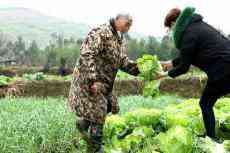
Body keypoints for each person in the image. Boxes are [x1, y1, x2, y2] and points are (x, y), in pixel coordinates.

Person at [157, 7, 230, 143]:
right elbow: (189, 54)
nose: (171, 31)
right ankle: (211, 136)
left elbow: (184, 67)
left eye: (170, 28)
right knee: (207, 103)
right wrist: (170, 63)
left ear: (174, 23)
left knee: (205, 103)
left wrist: (163, 75)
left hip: (222, 70)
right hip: (225, 65)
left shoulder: (188, 34)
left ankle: (212, 139)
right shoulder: (196, 26)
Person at [68, 13, 140, 153]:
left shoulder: (118, 38)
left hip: (104, 83)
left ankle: (83, 124)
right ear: (118, 19)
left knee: (108, 105)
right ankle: (95, 147)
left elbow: (122, 61)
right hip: (89, 80)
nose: (129, 26)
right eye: (127, 22)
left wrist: (140, 69)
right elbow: (86, 54)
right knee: (98, 111)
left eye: (131, 24)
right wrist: (93, 80)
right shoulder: (101, 32)